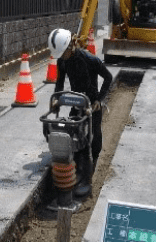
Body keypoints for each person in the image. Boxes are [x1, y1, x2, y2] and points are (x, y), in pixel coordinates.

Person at [48, 28, 112, 198]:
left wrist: (99, 99)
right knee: (74, 135)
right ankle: (76, 169)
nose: (61, 57)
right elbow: (60, 82)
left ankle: (91, 170)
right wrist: (56, 99)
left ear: (71, 46)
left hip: (92, 103)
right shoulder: (62, 61)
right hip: (77, 101)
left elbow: (108, 77)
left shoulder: (90, 59)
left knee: (94, 136)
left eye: (63, 53)